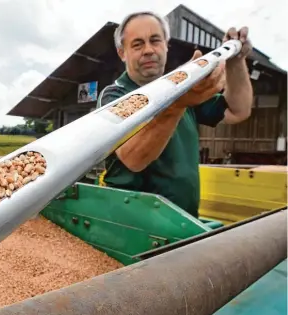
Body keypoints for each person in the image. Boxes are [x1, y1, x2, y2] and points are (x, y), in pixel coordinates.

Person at [96, 11, 253, 218]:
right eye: (137, 44)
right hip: (130, 225)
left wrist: (236, 60)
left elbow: (238, 110)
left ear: (166, 44)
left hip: (183, 220)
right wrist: (179, 103)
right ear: (121, 53)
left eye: (155, 40)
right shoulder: (116, 95)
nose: (149, 50)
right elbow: (133, 159)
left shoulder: (183, 87)